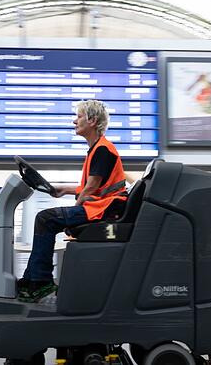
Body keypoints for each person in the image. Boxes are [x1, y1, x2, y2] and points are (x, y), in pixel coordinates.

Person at [16, 100, 128, 302]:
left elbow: (91, 188)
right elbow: (91, 187)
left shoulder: (103, 150)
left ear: (92, 120)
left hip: (104, 210)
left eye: (78, 116)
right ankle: (30, 280)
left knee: (46, 218)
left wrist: (73, 213)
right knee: (46, 219)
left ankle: (40, 281)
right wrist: (63, 190)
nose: (74, 121)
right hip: (100, 207)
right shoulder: (97, 149)